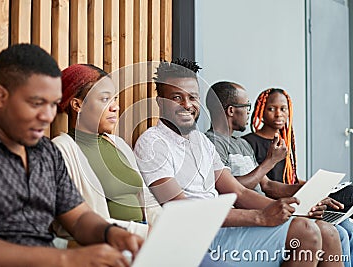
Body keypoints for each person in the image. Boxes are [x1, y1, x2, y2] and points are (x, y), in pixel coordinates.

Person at [134, 58, 343, 266]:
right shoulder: (153, 143)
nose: (187, 105)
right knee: (306, 231)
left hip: (222, 229)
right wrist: (260, 217)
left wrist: (290, 209)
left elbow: (239, 192)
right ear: (161, 102)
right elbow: (181, 208)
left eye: (192, 97)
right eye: (177, 98)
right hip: (197, 237)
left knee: (326, 230)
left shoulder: (200, 141)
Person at [0, 43, 143, 267]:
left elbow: (79, 218)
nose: (47, 116)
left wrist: (111, 233)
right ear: (0, 96)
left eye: (53, 104)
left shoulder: (46, 153)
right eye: (37, 103)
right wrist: (67, 259)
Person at [205, 81, 353, 267]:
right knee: (324, 230)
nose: (250, 112)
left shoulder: (241, 144)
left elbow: (266, 184)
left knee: (332, 231)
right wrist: (270, 162)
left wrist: (313, 190)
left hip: (268, 207)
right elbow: (232, 188)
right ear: (231, 110)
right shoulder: (211, 143)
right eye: (247, 106)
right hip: (251, 214)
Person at [51, 64, 160, 242]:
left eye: (114, 99)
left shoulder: (119, 145)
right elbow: (77, 221)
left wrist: (165, 228)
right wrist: (144, 233)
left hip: (145, 240)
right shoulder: (61, 150)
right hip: (109, 245)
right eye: (104, 99)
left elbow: (148, 200)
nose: (115, 107)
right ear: (77, 105)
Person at [243, 88, 353, 211]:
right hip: (278, 201)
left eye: (283, 109)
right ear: (261, 111)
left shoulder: (285, 142)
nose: (278, 114)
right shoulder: (248, 143)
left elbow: (292, 179)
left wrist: (317, 185)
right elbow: (268, 186)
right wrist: (312, 190)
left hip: (294, 195)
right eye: (271, 109)